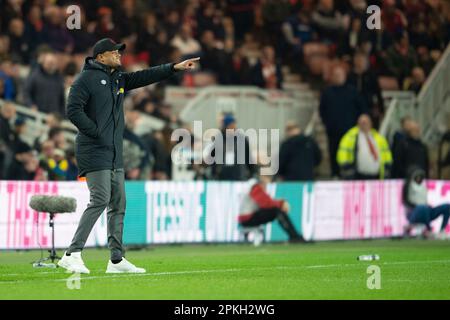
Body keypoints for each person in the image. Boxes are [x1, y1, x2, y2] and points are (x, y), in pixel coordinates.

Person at [58, 38, 199, 274]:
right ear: (100, 56)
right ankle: (72, 253)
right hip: (93, 150)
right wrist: (96, 132)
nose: (119, 55)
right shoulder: (85, 79)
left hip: (113, 151)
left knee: (118, 204)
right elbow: (72, 110)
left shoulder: (118, 79)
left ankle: (116, 260)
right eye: (114, 52)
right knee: (101, 199)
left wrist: (174, 67)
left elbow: (145, 76)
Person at [319, 65, 368, 177]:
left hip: (350, 131)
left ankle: (351, 173)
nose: (338, 77)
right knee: (334, 152)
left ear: (344, 76)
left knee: (351, 153)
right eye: (336, 75)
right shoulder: (327, 92)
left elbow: (362, 108)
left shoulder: (353, 91)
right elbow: (322, 110)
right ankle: (335, 174)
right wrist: (327, 123)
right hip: (333, 130)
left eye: (340, 75)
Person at [238, 175, 304, 243]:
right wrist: (281, 203)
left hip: (246, 218)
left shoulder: (253, 185)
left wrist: (279, 203)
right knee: (277, 211)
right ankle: (294, 236)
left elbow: (266, 202)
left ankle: (294, 236)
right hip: (248, 219)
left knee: (275, 210)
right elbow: (266, 203)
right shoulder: (255, 187)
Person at [337, 114, 392, 180]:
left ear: (371, 123)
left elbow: (386, 154)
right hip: (359, 176)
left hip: (377, 176)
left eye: (366, 122)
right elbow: (343, 154)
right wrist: (347, 170)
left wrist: (387, 168)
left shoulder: (379, 137)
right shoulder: (350, 137)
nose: (364, 124)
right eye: (362, 122)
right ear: (358, 124)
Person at [403, 167, 450, 239]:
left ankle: (442, 231)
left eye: (420, 177)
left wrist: (427, 206)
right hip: (414, 212)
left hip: (426, 210)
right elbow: (405, 201)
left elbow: (424, 201)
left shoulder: (423, 187)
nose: (419, 178)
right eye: (417, 176)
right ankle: (429, 229)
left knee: (447, 206)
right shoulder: (408, 186)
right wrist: (417, 206)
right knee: (422, 207)